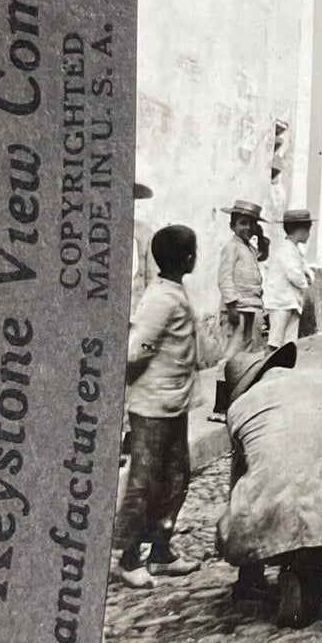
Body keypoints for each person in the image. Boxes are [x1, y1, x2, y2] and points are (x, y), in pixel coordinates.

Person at [216, 342, 322, 627]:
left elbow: (239, 475)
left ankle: (259, 577)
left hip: (272, 510)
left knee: (254, 496)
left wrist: (231, 530)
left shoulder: (237, 411)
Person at [116, 225, 202, 589]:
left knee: (177, 476)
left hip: (172, 403)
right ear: (187, 259)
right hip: (153, 405)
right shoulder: (161, 299)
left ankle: (161, 552)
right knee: (145, 481)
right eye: (193, 251)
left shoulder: (172, 292)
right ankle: (128, 556)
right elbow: (137, 348)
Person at [217, 199, 264, 363]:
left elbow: (262, 255)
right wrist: (231, 306)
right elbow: (224, 277)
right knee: (232, 352)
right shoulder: (232, 247)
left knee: (246, 349)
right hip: (236, 308)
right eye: (243, 223)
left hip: (249, 306)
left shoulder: (249, 248)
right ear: (233, 226)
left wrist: (261, 235)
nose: (248, 228)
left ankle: (240, 385)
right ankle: (223, 387)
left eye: (252, 224)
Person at [263, 208, 313, 349]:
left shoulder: (294, 250)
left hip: (291, 301)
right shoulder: (286, 250)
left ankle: (285, 365)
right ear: (300, 230)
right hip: (280, 302)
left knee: (289, 340)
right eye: (308, 230)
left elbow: (304, 269)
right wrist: (305, 282)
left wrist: (308, 276)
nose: (309, 234)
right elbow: (295, 274)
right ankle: (269, 362)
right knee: (276, 339)